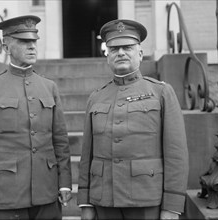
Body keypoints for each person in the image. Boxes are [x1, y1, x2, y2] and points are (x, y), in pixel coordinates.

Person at [77, 19, 189, 220]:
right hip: (104, 200)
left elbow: (176, 155)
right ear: (107, 56)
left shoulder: (161, 92)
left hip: (146, 199)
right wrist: (85, 201)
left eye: (127, 47)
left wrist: (172, 206)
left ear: (140, 53)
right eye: (113, 49)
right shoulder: (96, 97)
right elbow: (87, 154)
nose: (120, 53)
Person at [0, 15, 72, 220]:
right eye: (24, 42)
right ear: (6, 48)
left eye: (34, 41)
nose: (32, 47)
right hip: (6, 193)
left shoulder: (49, 87)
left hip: (47, 192)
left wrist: (65, 182)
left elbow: (60, 141)